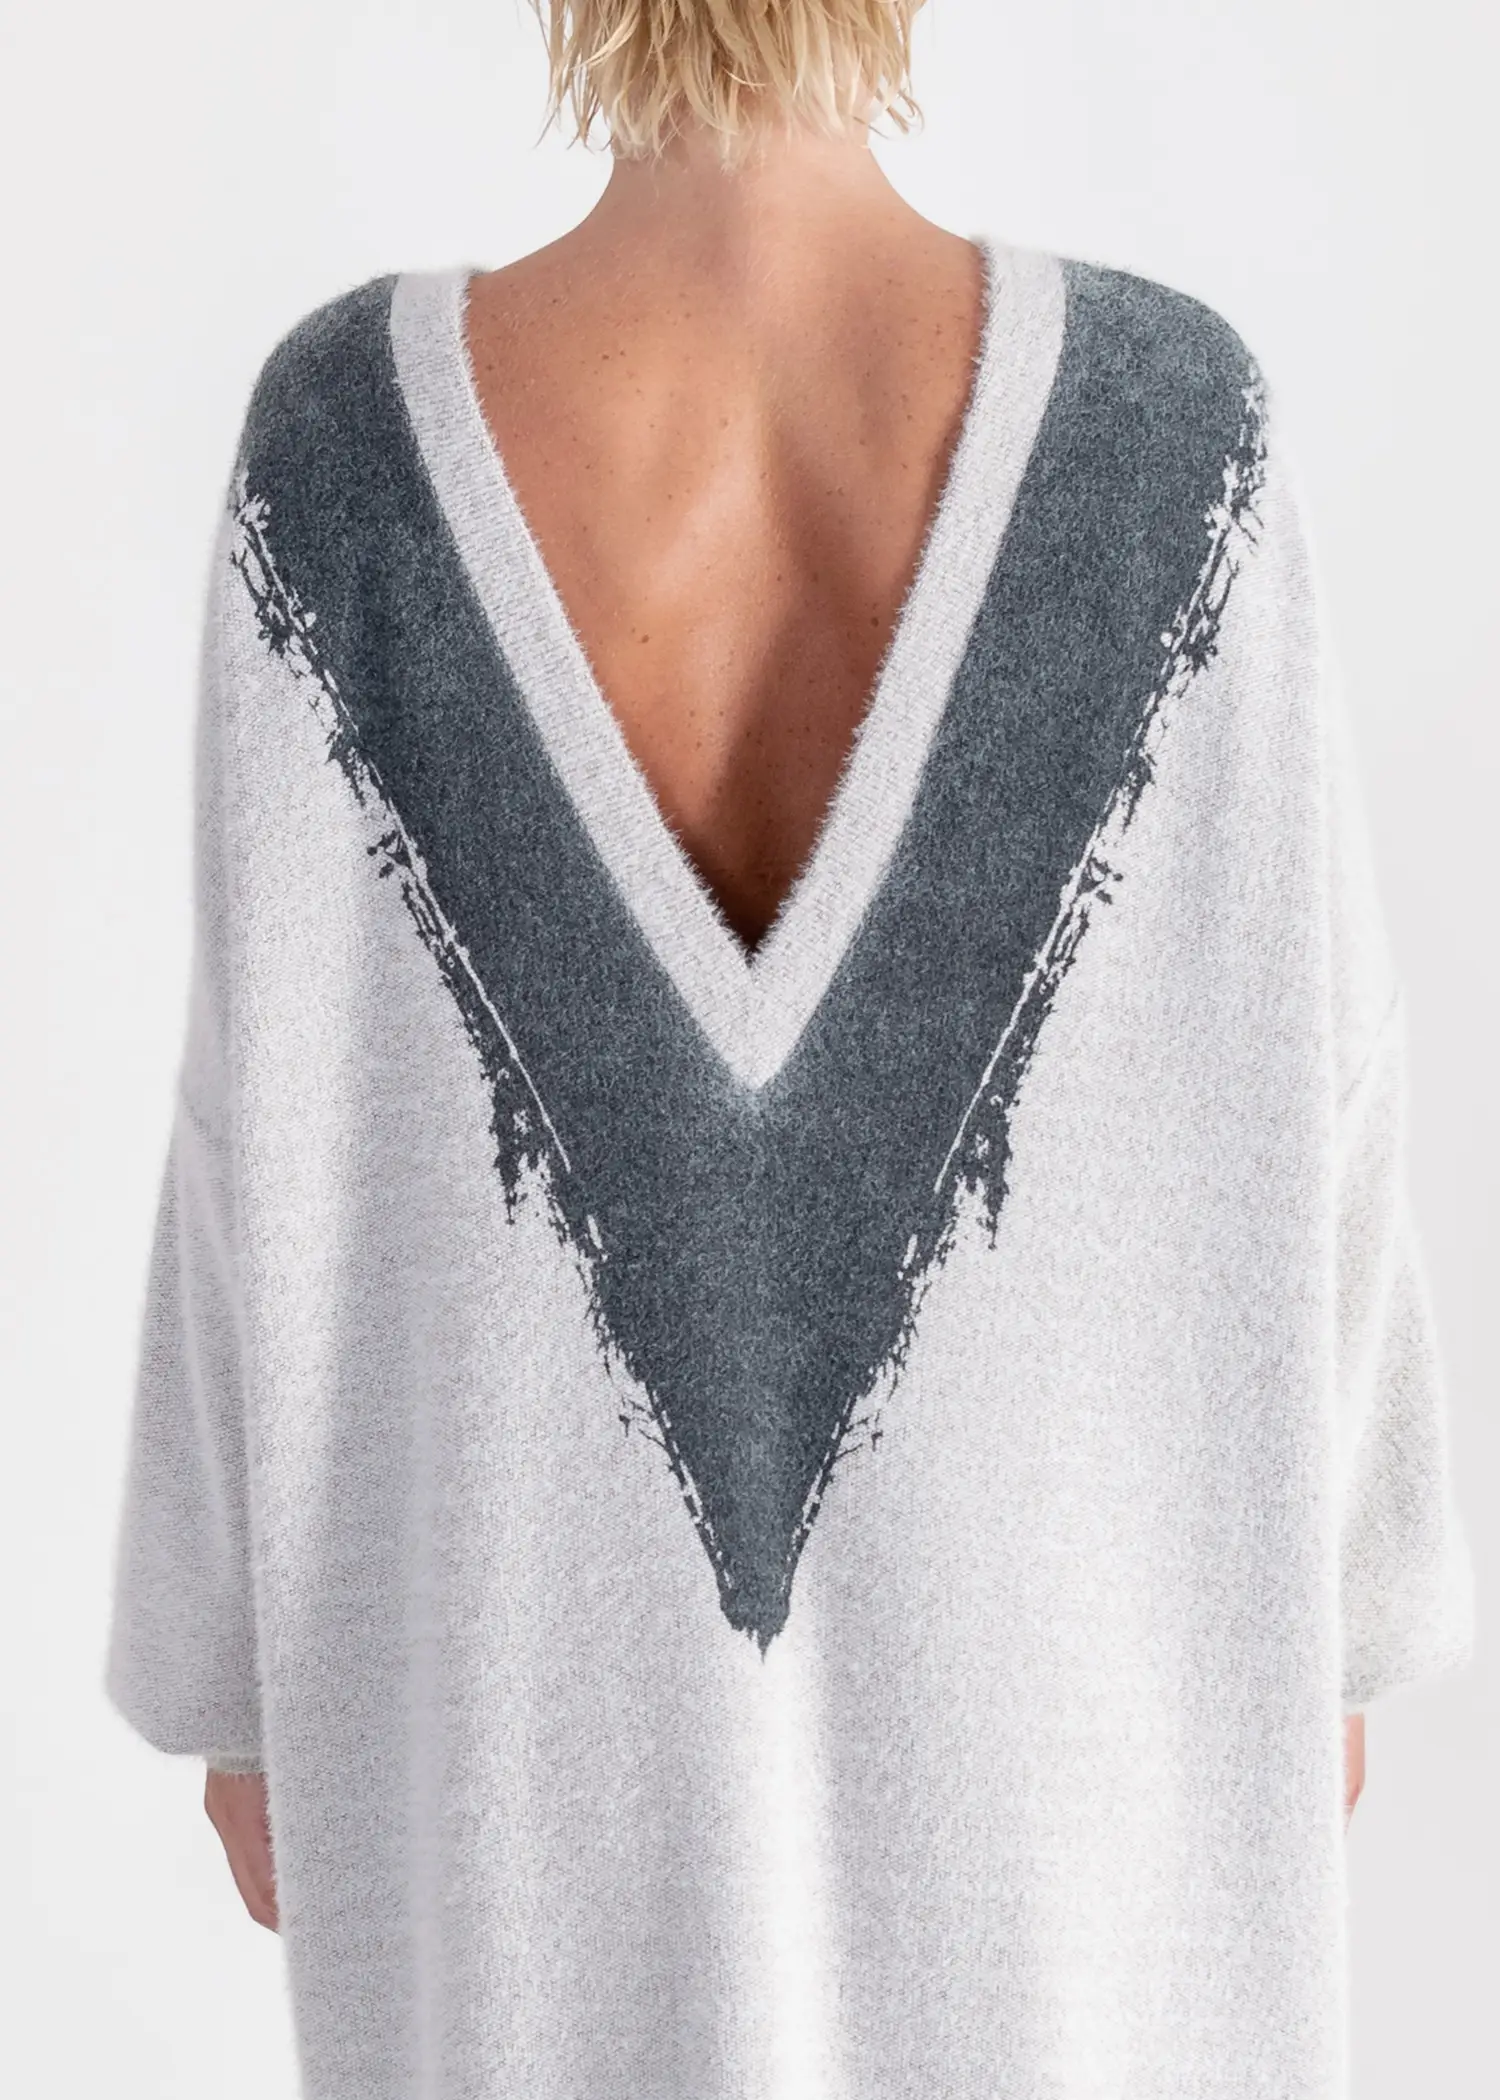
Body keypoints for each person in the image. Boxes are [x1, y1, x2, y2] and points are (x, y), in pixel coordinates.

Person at [104, 5, 1475, 2096]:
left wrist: (236, 1673)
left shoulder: (341, 455)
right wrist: (1322, 1625)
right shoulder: (1174, 447)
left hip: (535, 1892)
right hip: (1073, 1940)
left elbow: (253, 1157)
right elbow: (1328, 1143)